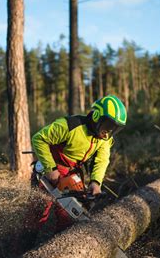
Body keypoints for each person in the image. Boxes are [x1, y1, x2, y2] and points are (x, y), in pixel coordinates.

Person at [31, 95, 127, 230]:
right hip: (51, 167)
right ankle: (23, 244)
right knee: (38, 213)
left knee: (70, 215)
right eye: (108, 125)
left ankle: (63, 245)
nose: (108, 132)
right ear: (97, 116)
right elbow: (39, 139)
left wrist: (96, 182)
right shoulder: (70, 125)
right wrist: (50, 168)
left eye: (113, 128)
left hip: (73, 171)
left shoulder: (104, 139)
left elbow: (102, 160)